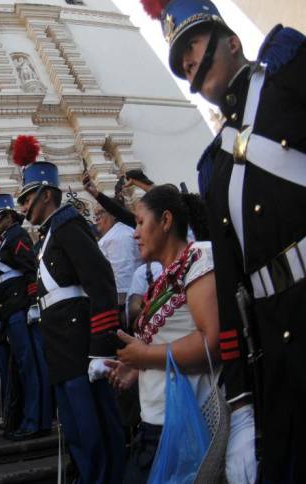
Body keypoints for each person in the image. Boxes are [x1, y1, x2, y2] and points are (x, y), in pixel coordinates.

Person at [139, 0, 303, 482]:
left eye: (194, 43)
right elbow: (232, 287)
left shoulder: (287, 76)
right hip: (277, 346)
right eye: (181, 60)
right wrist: (241, 398)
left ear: (232, 41)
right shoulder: (214, 167)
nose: (189, 61)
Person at [104, 185, 228, 482]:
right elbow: (171, 340)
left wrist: (145, 355)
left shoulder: (199, 258)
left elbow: (211, 342)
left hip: (184, 424)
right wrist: (138, 365)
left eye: (140, 222)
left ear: (166, 221)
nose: (135, 233)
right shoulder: (164, 277)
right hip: (157, 423)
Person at [17, 159, 125, 484]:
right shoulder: (49, 235)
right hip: (60, 345)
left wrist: (101, 349)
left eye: (26, 198)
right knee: (75, 426)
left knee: (92, 425)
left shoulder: (68, 226)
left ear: (45, 195)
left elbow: (101, 282)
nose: (23, 207)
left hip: (79, 345)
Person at [0, 194, 53, 442]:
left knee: (31, 366)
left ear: (9, 217)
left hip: (21, 309)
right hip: (10, 309)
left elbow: (30, 270)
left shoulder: (17, 236)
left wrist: (34, 304)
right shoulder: (4, 241)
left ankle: (35, 421)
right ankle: (30, 418)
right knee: (23, 367)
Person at [94, 204, 143, 305]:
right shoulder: (115, 234)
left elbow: (123, 276)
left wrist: (120, 308)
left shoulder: (118, 236)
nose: (97, 218)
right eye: (95, 214)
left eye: (101, 212)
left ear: (114, 214)